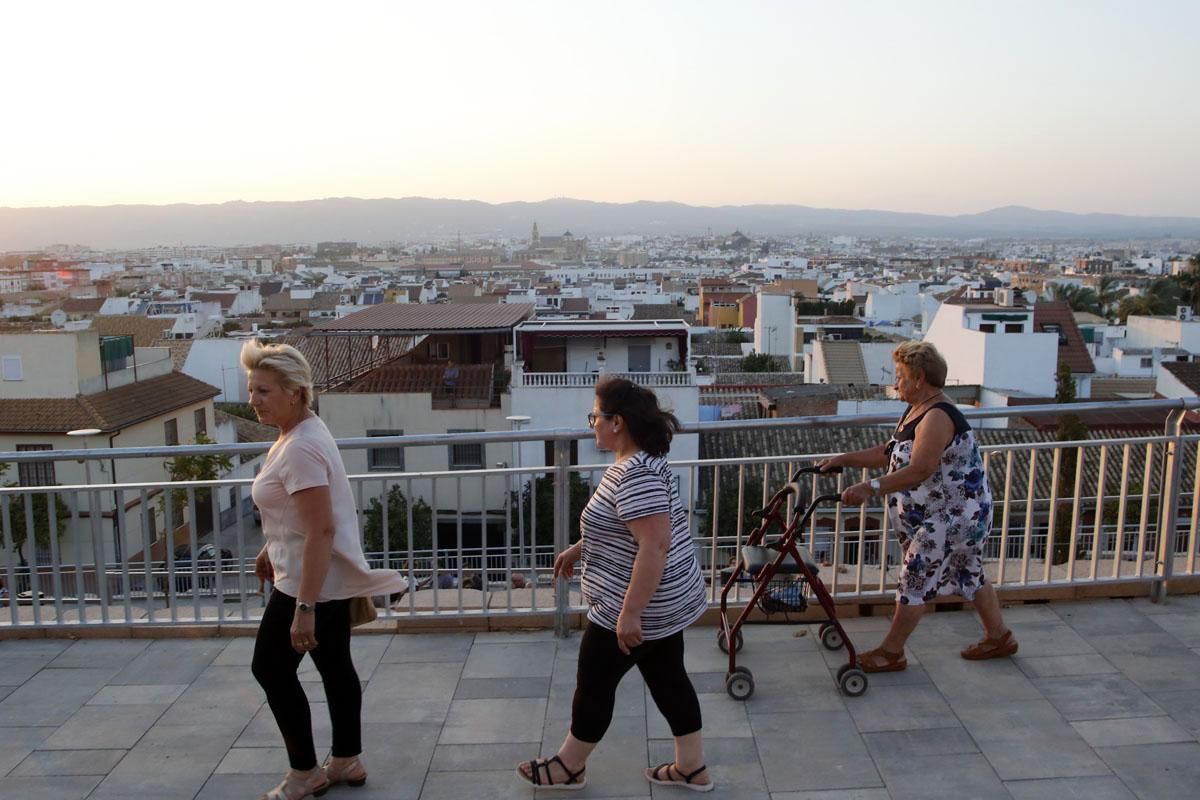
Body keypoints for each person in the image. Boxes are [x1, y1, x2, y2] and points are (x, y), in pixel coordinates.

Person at [517, 377, 713, 793]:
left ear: (617, 422)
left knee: (594, 683)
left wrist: (631, 613)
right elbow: (625, 527)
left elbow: (654, 544)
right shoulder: (641, 462)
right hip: (667, 600)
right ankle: (691, 767)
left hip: (637, 604)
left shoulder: (632, 475)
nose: (592, 424)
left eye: (595, 417)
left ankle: (568, 766)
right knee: (668, 679)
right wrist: (580, 548)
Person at [243, 339, 406, 800]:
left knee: (270, 670)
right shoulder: (304, 432)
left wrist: (304, 607)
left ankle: (304, 773)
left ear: (295, 392)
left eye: (264, 391)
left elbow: (321, 531)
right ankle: (346, 759)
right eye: (252, 389)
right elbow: (298, 518)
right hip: (318, 578)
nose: (253, 399)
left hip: (309, 584)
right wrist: (268, 548)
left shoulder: (300, 448)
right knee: (335, 667)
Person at [819, 341, 1018, 673]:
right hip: (949, 516)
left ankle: (891, 652)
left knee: (914, 578)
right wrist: (844, 459)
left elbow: (921, 468)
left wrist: (871, 488)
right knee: (968, 570)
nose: (895, 383)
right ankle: (999, 637)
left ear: (919, 377)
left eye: (899, 376)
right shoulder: (917, 409)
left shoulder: (937, 416)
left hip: (952, 517)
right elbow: (889, 452)